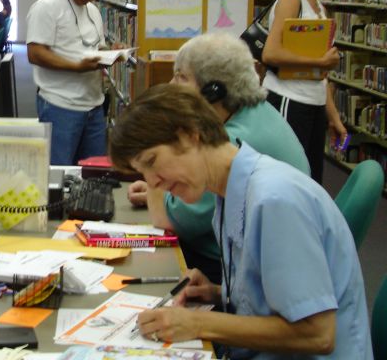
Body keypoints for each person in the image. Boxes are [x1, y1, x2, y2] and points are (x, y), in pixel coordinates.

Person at [110, 84, 372, 359]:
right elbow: (275, 296)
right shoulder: (231, 191)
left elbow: (317, 333)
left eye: (152, 162)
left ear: (190, 134)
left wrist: (199, 323)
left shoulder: (274, 200)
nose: (152, 182)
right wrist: (218, 293)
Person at [127, 33, 309, 283]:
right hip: (242, 262)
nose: (171, 85)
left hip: (228, 266)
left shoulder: (228, 144)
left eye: (181, 76)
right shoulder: (254, 112)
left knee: (138, 270)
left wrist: (156, 178)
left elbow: (167, 221)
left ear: (213, 91)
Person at [262, 0, 350, 183]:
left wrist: (333, 118)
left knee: (310, 178)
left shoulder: (320, 10)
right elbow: (270, 53)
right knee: (289, 176)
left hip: (314, 103)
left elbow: (321, 75)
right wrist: (319, 61)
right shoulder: (292, 0)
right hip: (289, 100)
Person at [26, 0, 113, 165]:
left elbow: (95, 45)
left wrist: (111, 52)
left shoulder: (92, 10)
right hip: (60, 105)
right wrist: (76, 67)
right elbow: (35, 53)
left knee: (94, 174)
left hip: (94, 105)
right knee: (59, 173)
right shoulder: (46, 6)